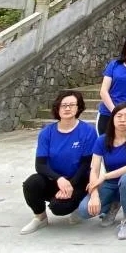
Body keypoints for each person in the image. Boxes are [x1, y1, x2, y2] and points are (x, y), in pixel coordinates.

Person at [21, 90, 97, 234]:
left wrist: (70, 184)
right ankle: (40, 218)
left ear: (78, 107)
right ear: (57, 108)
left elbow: (86, 164)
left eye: (71, 105)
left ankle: (77, 205)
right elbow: (40, 165)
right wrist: (59, 180)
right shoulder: (47, 132)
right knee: (31, 184)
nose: (67, 108)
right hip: (55, 179)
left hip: (78, 181)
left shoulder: (88, 131)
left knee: (59, 208)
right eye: (64, 105)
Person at [77, 101, 126, 240]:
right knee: (85, 210)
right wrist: (94, 194)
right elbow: (94, 169)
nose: (123, 119)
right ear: (112, 118)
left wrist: (104, 176)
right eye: (119, 116)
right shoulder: (102, 140)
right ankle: (114, 204)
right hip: (110, 183)